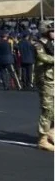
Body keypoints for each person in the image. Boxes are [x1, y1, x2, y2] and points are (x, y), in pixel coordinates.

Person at [34, 21, 54, 151]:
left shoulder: (51, 44)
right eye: (52, 30)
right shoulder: (39, 44)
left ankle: (51, 133)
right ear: (45, 31)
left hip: (53, 79)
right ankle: (42, 140)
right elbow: (42, 57)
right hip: (46, 80)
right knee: (47, 110)